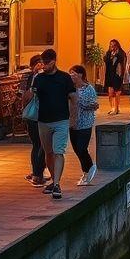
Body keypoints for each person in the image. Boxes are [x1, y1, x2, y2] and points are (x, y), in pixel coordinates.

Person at [25, 49, 77, 200]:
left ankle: (57, 184)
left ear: (53, 61)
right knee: (48, 152)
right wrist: (33, 76)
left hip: (61, 120)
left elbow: (73, 97)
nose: (44, 66)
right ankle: (54, 181)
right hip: (43, 121)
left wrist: (73, 118)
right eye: (42, 63)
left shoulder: (64, 78)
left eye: (46, 63)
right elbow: (29, 97)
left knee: (58, 151)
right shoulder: (39, 78)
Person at [69, 65, 98, 186]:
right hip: (72, 123)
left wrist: (81, 102)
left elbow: (94, 104)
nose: (71, 75)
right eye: (70, 73)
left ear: (80, 74)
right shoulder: (70, 89)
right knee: (76, 149)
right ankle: (85, 171)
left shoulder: (88, 89)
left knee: (82, 148)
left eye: (73, 73)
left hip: (85, 123)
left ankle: (90, 167)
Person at [24, 54, 49, 187]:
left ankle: (37, 172)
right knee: (40, 145)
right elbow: (27, 96)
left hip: (38, 115)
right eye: (38, 63)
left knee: (40, 145)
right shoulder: (32, 77)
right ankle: (37, 175)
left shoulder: (41, 77)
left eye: (42, 63)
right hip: (36, 116)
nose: (41, 66)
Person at [103, 39, 126, 115]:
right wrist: (110, 55)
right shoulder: (108, 53)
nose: (112, 46)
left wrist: (115, 55)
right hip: (109, 75)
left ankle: (117, 108)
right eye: (111, 45)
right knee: (110, 93)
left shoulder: (121, 53)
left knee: (117, 93)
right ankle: (112, 108)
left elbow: (122, 61)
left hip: (117, 75)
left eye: (114, 45)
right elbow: (105, 60)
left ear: (117, 45)